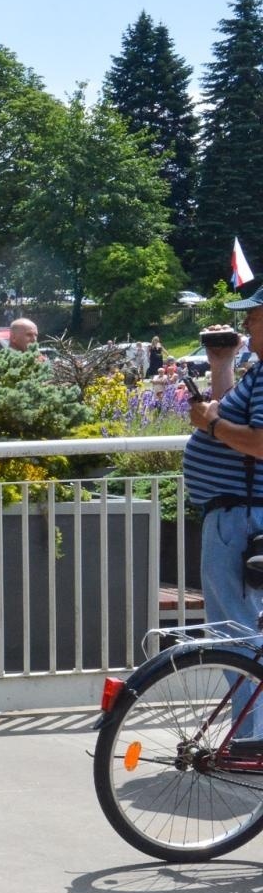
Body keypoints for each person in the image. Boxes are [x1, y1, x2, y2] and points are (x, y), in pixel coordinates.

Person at [184, 293, 263, 746]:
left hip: (239, 519)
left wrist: (209, 425)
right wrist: (222, 365)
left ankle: (250, 738)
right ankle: (251, 734)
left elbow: (258, 442)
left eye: (253, 318)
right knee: (241, 630)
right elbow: (234, 416)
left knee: (237, 634)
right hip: (239, 515)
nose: (247, 327)